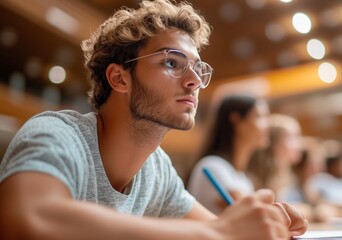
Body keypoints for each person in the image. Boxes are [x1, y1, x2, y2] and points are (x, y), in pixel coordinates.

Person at [0, 1, 308, 239]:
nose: (194, 81)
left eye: (197, 69)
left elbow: (221, 230)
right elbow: (26, 219)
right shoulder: (58, 134)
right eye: (171, 62)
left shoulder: (156, 170)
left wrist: (264, 223)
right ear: (119, 78)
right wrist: (218, 232)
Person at [187, 95, 271, 214]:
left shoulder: (244, 179)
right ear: (236, 120)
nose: (267, 125)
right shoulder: (212, 166)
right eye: (259, 117)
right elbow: (250, 215)